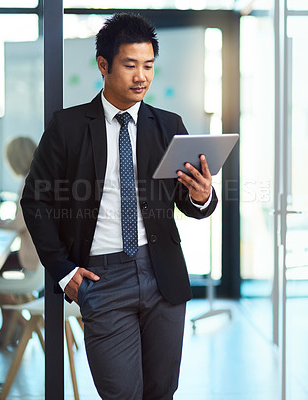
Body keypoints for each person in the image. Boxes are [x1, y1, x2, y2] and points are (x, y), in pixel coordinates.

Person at [21, 12, 218, 400]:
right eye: (130, 65)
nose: (141, 76)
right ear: (103, 65)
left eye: (148, 66)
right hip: (101, 277)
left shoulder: (168, 125)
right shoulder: (69, 127)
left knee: (162, 391)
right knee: (121, 394)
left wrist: (202, 195)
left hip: (161, 274)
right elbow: (35, 199)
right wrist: (63, 271)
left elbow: (188, 202)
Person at [0, 137, 40, 346]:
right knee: (0, 272)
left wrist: (0, 223)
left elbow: (19, 224)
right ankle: (11, 324)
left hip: (32, 259)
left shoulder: (29, 182)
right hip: (38, 257)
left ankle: (15, 323)